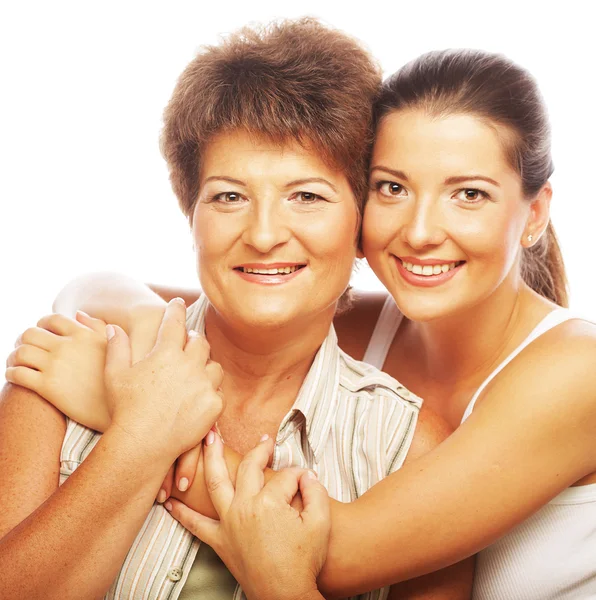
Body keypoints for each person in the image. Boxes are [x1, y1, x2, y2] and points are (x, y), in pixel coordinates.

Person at [20, 47, 596, 599]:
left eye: (469, 194)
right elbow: (105, 290)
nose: (420, 231)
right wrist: (142, 326)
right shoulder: (369, 325)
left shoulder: (577, 371)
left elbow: (327, 552)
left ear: (535, 213)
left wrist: (137, 425)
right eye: (393, 188)